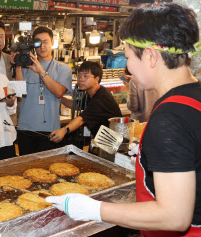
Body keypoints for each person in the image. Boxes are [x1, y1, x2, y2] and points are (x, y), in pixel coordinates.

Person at [46, 2, 201, 236]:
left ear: (150, 56)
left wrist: (94, 209)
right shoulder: (193, 95)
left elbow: (175, 216)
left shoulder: (168, 118)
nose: (128, 68)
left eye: (127, 57)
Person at [13, 26, 72, 156]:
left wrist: (40, 71)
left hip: (50, 130)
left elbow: (58, 92)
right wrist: (18, 65)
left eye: (45, 41)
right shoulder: (25, 66)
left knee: (48, 172)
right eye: (38, 42)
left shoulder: (63, 68)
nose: (42, 46)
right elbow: (18, 93)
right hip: (25, 128)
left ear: (52, 42)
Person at [49, 61, 122, 143]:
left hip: (113, 143)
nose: (80, 79)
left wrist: (64, 130)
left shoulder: (101, 98)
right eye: (79, 75)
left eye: (85, 76)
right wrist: (58, 95)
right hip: (103, 140)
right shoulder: (90, 93)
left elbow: (81, 119)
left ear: (96, 79)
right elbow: (76, 105)